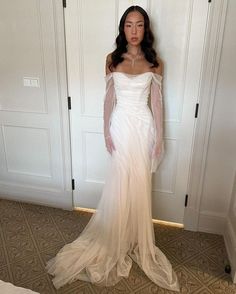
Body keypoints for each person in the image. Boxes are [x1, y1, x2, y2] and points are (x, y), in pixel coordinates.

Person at [46, 5, 180, 292]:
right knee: (119, 184)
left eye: (139, 25)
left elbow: (157, 103)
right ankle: (115, 237)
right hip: (120, 126)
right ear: (122, 29)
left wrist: (160, 138)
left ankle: (134, 237)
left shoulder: (156, 62)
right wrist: (106, 132)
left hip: (143, 128)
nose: (133, 31)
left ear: (146, 28)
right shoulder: (111, 59)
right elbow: (108, 100)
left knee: (139, 184)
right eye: (128, 25)